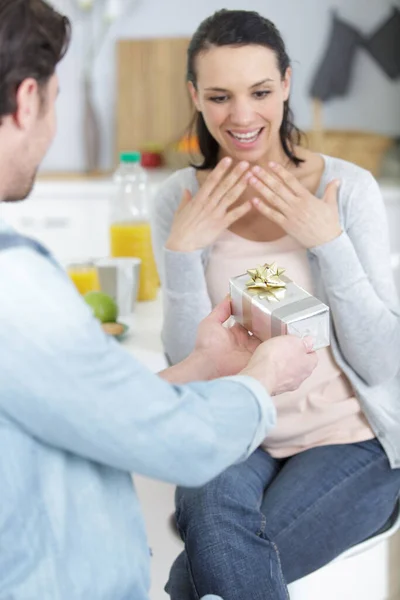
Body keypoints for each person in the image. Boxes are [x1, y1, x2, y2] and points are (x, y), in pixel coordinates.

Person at [0, 2, 319, 599]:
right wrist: (260, 377)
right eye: (56, 97)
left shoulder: (338, 187)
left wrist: (201, 367)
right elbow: (177, 443)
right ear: (26, 100)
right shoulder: (15, 287)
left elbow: (88, 403)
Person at [150, 8, 400, 600]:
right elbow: (192, 369)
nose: (241, 116)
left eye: (260, 91)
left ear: (286, 83)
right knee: (213, 522)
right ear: (195, 96)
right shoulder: (179, 200)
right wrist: (185, 253)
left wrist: (328, 243)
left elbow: (388, 363)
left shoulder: (347, 190)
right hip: (240, 430)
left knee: (193, 579)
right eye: (218, 96)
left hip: (353, 441)